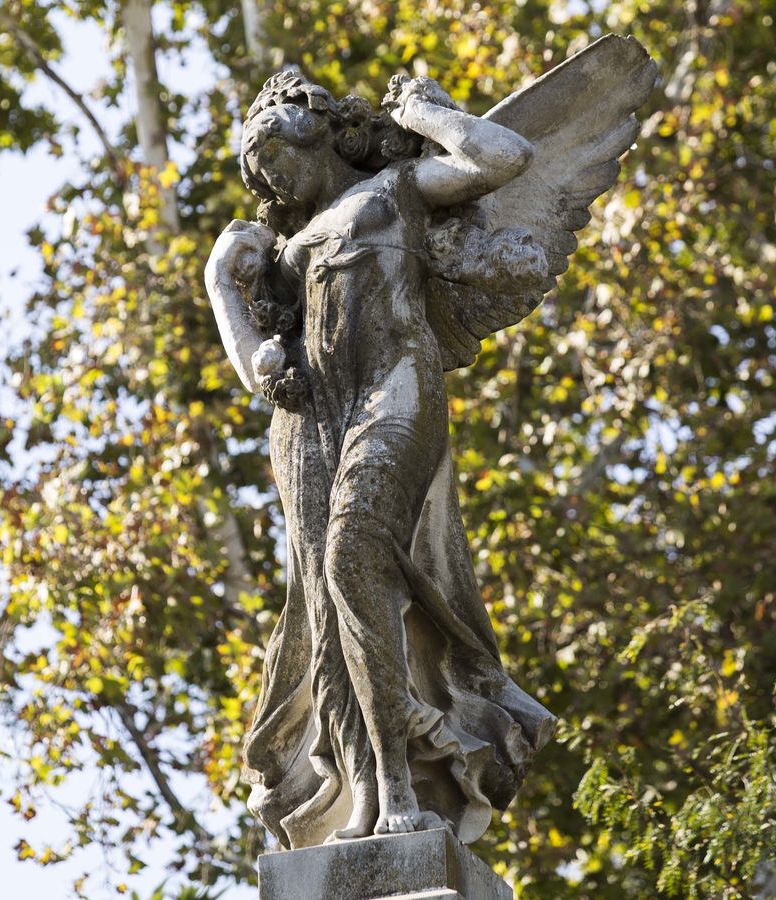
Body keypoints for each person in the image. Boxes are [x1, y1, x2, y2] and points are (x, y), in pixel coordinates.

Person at [206, 69, 557, 848]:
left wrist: (430, 113)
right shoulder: (286, 249)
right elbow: (258, 372)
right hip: (318, 421)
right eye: (256, 169)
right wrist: (222, 287)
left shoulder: (395, 188)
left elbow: (505, 156)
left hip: (396, 388)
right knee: (330, 602)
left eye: (271, 152)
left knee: (353, 552)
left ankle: (401, 786)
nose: (267, 177)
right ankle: (370, 793)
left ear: (317, 130)